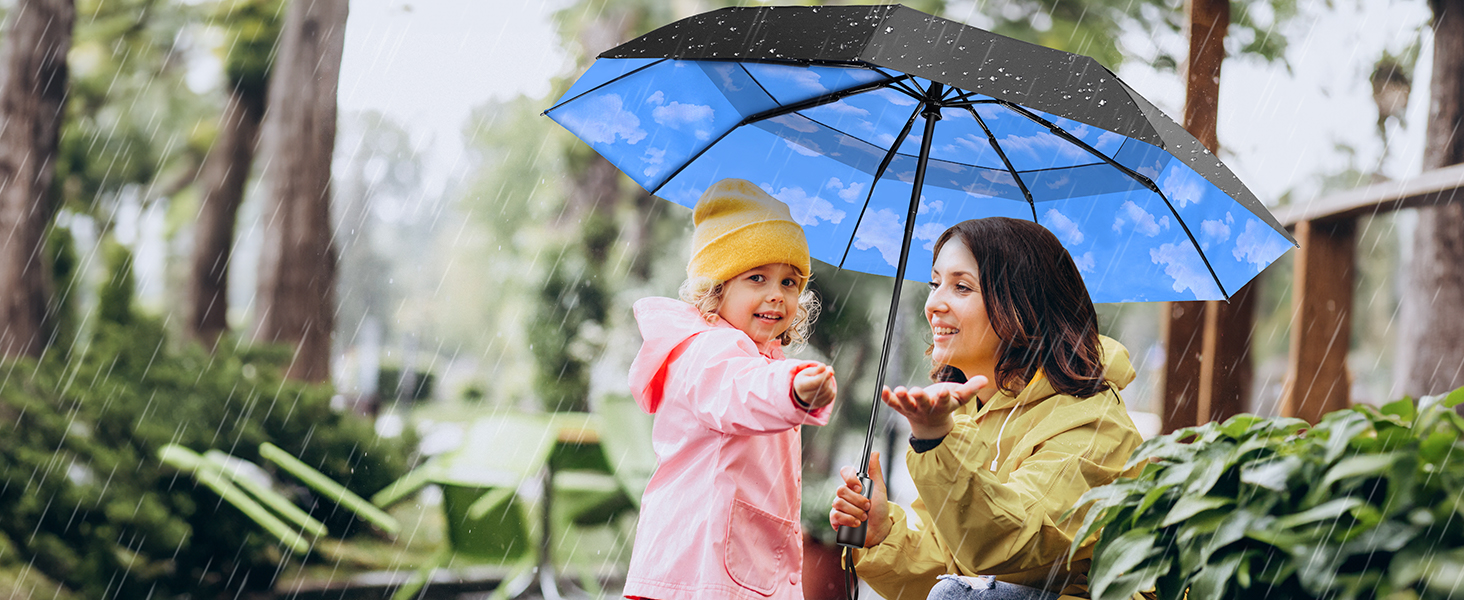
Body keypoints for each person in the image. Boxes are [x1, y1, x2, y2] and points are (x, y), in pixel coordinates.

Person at [829, 217, 1145, 600]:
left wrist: (933, 442)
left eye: (961, 287)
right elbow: (953, 566)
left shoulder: (1091, 420)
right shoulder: (968, 411)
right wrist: (883, 534)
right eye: (935, 283)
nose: (934, 304)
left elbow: (1010, 548)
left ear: (1022, 302)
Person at [624, 178, 839, 600]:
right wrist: (793, 389)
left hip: (724, 566)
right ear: (716, 287)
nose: (776, 295)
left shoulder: (759, 357)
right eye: (757, 278)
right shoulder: (706, 351)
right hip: (699, 570)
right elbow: (739, 392)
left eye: (790, 282)